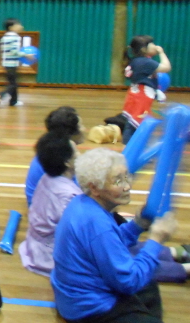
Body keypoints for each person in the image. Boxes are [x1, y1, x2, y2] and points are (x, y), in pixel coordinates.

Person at [51, 148, 178, 323]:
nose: (127, 186)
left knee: (147, 282)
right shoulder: (97, 222)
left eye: (127, 177)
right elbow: (128, 281)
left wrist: (137, 225)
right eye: (118, 181)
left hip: (72, 297)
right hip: (87, 308)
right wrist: (156, 240)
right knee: (142, 279)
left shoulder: (82, 204)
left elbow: (108, 245)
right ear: (94, 188)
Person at [19, 132, 81, 276]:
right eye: (76, 152)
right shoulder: (69, 196)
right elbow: (77, 235)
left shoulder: (45, 178)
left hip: (34, 246)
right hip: (49, 255)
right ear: (67, 162)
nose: (80, 154)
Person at [24, 106, 85, 206]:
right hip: (48, 204)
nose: (84, 129)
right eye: (81, 125)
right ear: (71, 133)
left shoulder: (51, 149)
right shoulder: (60, 157)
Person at [121, 35, 171, 144]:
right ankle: (132, 146)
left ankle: (129, 145)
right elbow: (166, 67)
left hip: (135, 94)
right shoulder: (145, 62)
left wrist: (156, 92)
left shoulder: (137, 61)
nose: (155, 46)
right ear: (144, 49)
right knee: (140, 122)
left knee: (132, 122)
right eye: (152, 44)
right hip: (141, 97)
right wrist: (161, 53)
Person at [0, 18, 31, 107]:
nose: (21, 27)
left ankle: (14, 101)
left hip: (6, 63)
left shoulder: (5, 37)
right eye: (18, 25)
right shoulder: (15, 37)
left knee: (13, 83)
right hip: (11, 64)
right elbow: (14, 52)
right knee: (12, 85)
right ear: (11, 27)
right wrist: (26, 55)